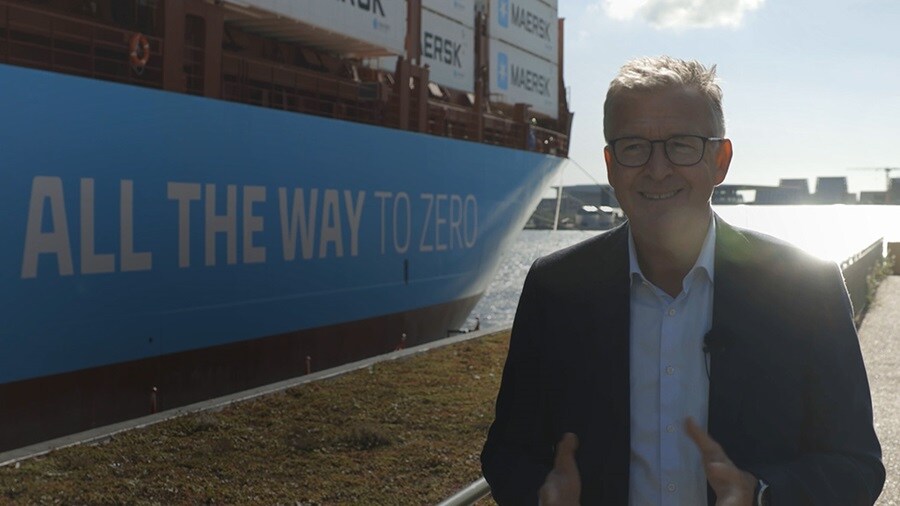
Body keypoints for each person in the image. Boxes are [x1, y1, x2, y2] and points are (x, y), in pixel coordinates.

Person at [481, 56, 884, 505]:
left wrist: (761, 494)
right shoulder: (554, 288)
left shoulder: (806, 289)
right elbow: (508, 453)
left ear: (720, 160)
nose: (657, 169)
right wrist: (541, 496)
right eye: (634, 146)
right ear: (611, 164)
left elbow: (857, 466)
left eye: (682, 145)